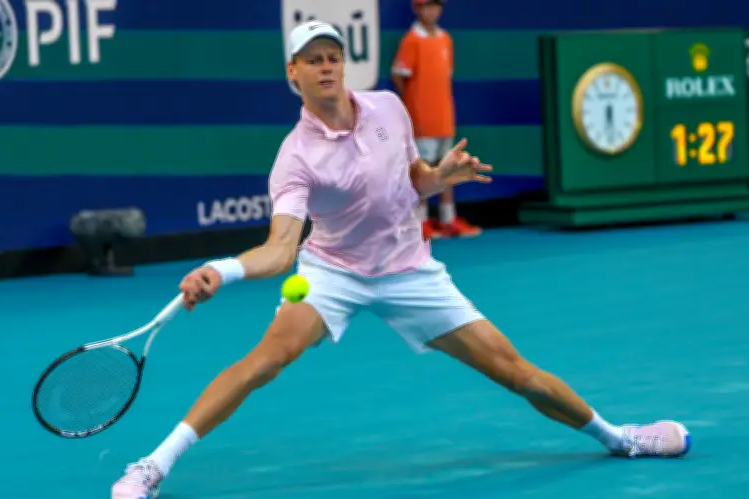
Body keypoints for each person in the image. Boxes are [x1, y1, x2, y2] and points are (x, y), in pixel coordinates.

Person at [112, 21, 690, 499]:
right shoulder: (295, 158)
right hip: (333, 271)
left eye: (333, 57)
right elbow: (281, 249)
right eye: (312, 60)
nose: (326, 67)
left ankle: (621, 438)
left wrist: (441, 177)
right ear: (293, 72)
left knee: (514, 371)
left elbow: (412, 180)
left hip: (410, 270)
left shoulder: (389, 107)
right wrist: (223, 270)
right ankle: (152, 467)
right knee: (264, 362)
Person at [391, 0, 481, 239]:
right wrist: (414, 108)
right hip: (422, 120)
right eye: (426, 6)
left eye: (435, 6)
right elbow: (399, 76)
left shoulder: (445, 39)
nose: (431, 11)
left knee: (447, 166)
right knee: (423, 171)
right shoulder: (411, 40)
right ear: (417, 9)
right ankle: (420, 222)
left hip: (444, 118)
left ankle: (448, 219)